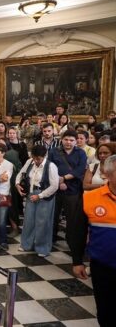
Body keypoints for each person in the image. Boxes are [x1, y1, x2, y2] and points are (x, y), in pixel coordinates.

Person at [71, 154, 116, 327]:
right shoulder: (90, 198)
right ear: (108, 174)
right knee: (105, 309)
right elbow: (78, 232)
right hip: (102, 265)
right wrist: (77, 261)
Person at [16, 145, 59, 257]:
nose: (36, 161)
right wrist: (17, 185)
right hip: (31, 194)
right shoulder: (30, 162)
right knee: (28, 221)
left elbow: (54, 186)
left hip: (45, 196)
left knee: (43, 222)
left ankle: (42, 248)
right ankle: (26, 245)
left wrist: (40, 196)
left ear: (44, 156)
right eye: (34, 158)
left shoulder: (51, 166)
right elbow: (20, 174)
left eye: (38, 159)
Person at [48, 130, 87, 245]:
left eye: (71, 140)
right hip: (55, 188)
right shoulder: (54, 151)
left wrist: (64, 178)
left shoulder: (81, 153)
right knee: (53, 215)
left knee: (72, 217)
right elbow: (49, 167)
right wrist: (59, 182)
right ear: (61, 139)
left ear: (76, 141)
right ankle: (51, 239)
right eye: (66, 139)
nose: (68, 142)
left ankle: (71, 240)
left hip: (73, 189)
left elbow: (80, 170)